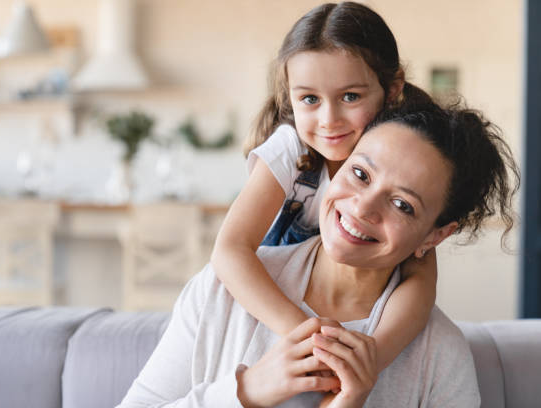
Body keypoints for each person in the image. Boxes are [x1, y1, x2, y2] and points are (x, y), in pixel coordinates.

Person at [117, 98, 519, 407]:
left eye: (402, 205)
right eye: (360, 174)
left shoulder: (439, 353)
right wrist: (247, 391)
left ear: (434, 236)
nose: (362, 208)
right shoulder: (221, 294)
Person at [211, 2, 438, 372]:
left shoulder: (403, 157)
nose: (329, 120)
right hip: (276, 318)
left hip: (358, 320)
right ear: (290, 95)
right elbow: (229, 250)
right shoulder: (290, 150)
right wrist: (308, 337)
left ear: (392, 88)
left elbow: (421, 279)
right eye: (310, 99)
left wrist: (369, 359)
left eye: (350, 97)